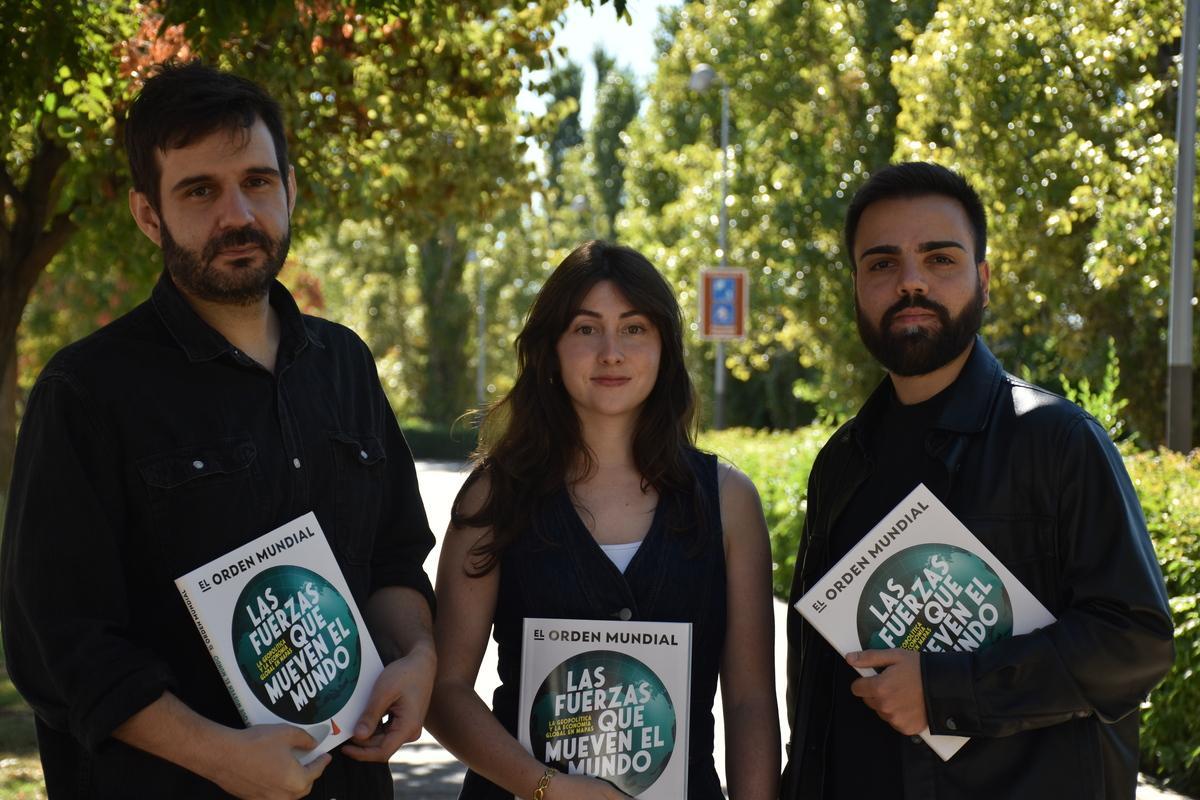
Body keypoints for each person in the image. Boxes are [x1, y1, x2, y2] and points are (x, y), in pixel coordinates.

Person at [0, 62, 437, 799]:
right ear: (149, 215)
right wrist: (219, 756)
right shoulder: (87, 391)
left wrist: (417, 656)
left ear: (289, 190)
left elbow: (393, 559)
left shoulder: (345, 365)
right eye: (199, 190)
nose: (237, 214)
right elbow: (59, 643)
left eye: (256, 182)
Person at [779, 161, 1175, 799]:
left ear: (983, 282)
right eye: (882, 263)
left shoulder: (1057, 441)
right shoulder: (841, 461)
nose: (910, 281)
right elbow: (814, 675)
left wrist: (946, 691)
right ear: (855, 287)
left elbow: (1135, 642)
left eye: (939, 259)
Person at [425, 240, 780, 799]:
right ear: (551, 349)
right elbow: (445, 691)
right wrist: (546, 786)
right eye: (586, 329)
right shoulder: (493, 497)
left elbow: (751, 701)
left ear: (664, 347)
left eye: (634, 328)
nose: (611, 352)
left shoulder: (728, 500)